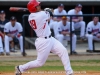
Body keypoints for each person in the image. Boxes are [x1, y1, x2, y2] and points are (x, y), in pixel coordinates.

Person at [15, 0, 73, 75]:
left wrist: (46, 11)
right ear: (34, 8)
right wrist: (48, 11)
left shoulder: (30, 17)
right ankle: (20, 68)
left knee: (63, 51)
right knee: (39, 63)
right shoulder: (41, 15)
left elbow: (47, 15)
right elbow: (50, 14)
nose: (39, 6)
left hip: (50, 39)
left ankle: (69, 72)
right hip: (43, 42)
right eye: (37, 6)